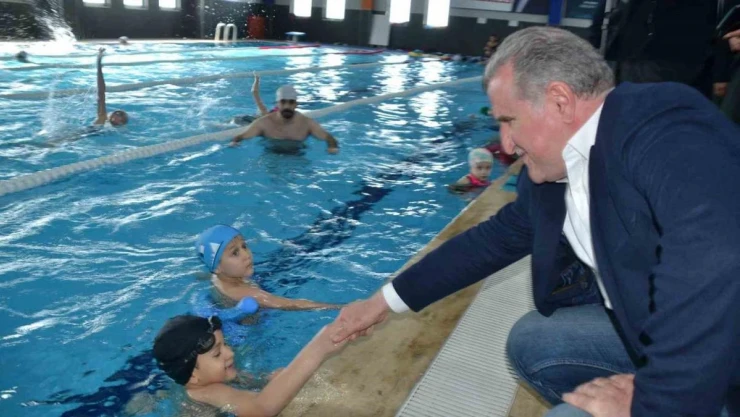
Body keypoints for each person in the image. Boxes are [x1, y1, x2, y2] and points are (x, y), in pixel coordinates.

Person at [330, 27, 740, 417]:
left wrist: (653, 403)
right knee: (537, 343)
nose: (506, 145)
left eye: (508, 120)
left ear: (560, 101)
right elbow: (490, 241)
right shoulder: (554, 174)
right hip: (675, 334)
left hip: (724, 350)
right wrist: (379, 303)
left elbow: (716, 253)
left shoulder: (662, 126)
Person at [152, 315, 347, 417]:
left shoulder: (205, 380)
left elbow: (248, 383)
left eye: (225, 344)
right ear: (193, 376)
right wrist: (319, 347)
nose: (230, 353)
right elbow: (262, 408)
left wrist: (267, 381)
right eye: (218, 353)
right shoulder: (207, 392)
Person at [196, 225, 341, 310]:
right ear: (217, 267)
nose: (246, 255)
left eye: (244, 246)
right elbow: (291, 304)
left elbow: (206, 275)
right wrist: (337, 307)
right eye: (235, 253)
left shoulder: (217, 276)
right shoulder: (248, 293)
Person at [230, 85, 339, 154]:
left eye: (291, 102)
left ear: (296, 104)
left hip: (297, 158)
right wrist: (235, 142)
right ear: (277, 104)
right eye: (283, 102)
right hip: (271, 157)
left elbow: (329, 137)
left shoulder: (307, 123)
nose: (287, 106)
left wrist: (332, 147)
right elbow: (242, 136)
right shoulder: (264, 123)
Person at [94, 48, 128, 127]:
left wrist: (99, 62)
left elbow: (101, 93)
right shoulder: (104, 120)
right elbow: (101, 94)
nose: (115, 115)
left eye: (118, 115)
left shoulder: (103, 118)